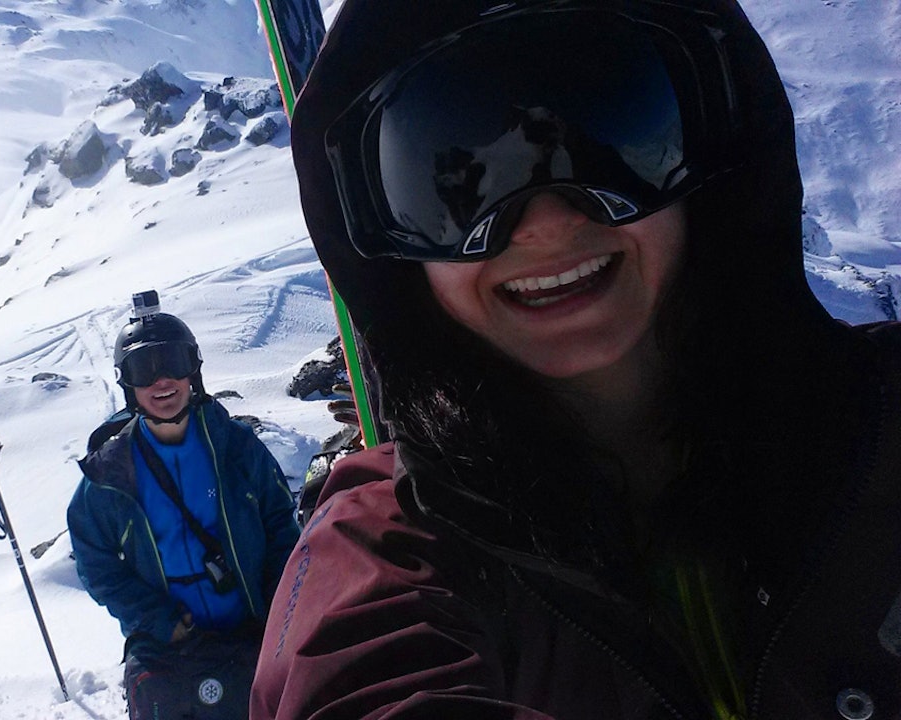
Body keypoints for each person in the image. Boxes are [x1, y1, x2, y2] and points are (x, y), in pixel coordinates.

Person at [251, 1, 901, 718]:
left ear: (711, 157)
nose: (548, 224)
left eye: (605, 140)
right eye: (456, 188)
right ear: (396, 255)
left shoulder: (880, 423)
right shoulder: (385, 549)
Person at [67, 290, 299, 719]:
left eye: (173, 362)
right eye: (144, 368)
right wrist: (156, 620)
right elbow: (94, 562)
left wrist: (278, 609)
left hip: (253, 632)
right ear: (127, 383)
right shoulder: (111, 473)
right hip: (169, 651)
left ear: (193, 370)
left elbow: (282, 527)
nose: (162, 381)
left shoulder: (236, 448)